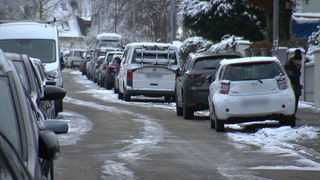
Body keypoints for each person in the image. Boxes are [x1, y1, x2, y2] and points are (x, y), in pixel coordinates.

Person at [284, 49, 303, 113]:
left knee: (296, 100)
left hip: (296, 86)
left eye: (300, 61)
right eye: (297, 61)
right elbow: (290, 77)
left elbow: (297, 76)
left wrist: (299, 83)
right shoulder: (288, 66)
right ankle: (291, 114)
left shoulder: (299, 66)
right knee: (291, 101)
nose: (299, 62)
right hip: (291, 86)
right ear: (294, 60)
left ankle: (294, 113)